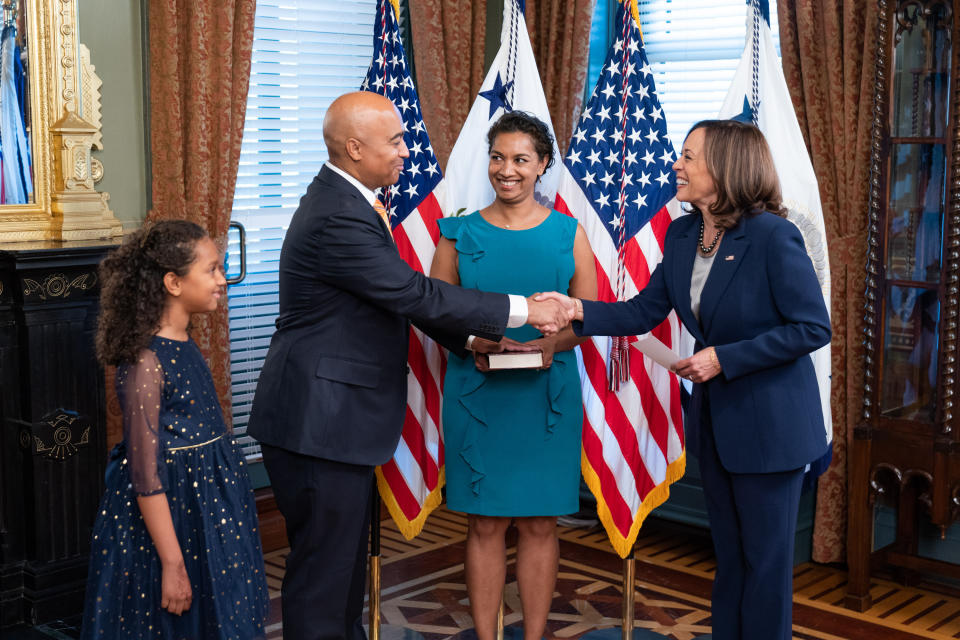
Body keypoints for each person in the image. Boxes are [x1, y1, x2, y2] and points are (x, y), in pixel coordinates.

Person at [245, 91, 572, 640]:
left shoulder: (350, 201)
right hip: (317, 422)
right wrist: (522, 309)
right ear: (355, 148)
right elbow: (412, 292)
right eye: (395, 141)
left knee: (340, 573)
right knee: (324, 579)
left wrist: (474, 340)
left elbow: (397, 300)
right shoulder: (336, 216)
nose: (406, 150)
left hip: (332, 421)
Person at [539, 120, 831, 640]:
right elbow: (644, 310)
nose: (678, 164)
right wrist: (576, 308)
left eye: (690, 156)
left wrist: (725, 358)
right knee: (731, 562)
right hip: (717, 424)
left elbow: (812, 327)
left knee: (764, 569)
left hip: (772, 428)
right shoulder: (681, 233)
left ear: (726, 168)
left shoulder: (771, 235)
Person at [429, 111, 597, 640]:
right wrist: (476, 342)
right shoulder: (457, 234)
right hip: (476, 394)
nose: (507, 169)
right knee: (483, 523)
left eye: (521, 159)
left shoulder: (569, 233)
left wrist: (551, 345)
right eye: (498, 157)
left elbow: (588, 316)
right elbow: (435, 313)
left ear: (542, 165)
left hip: (548, 397)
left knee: (541, 522)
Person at [80, 220, 269, 640]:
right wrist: (172, 563)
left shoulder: (183, 342)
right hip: (174, 523)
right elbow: (145, 476)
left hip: (207, 513)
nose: (222, 280)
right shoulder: (146, 362)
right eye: (212, 269)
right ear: (173, 282)